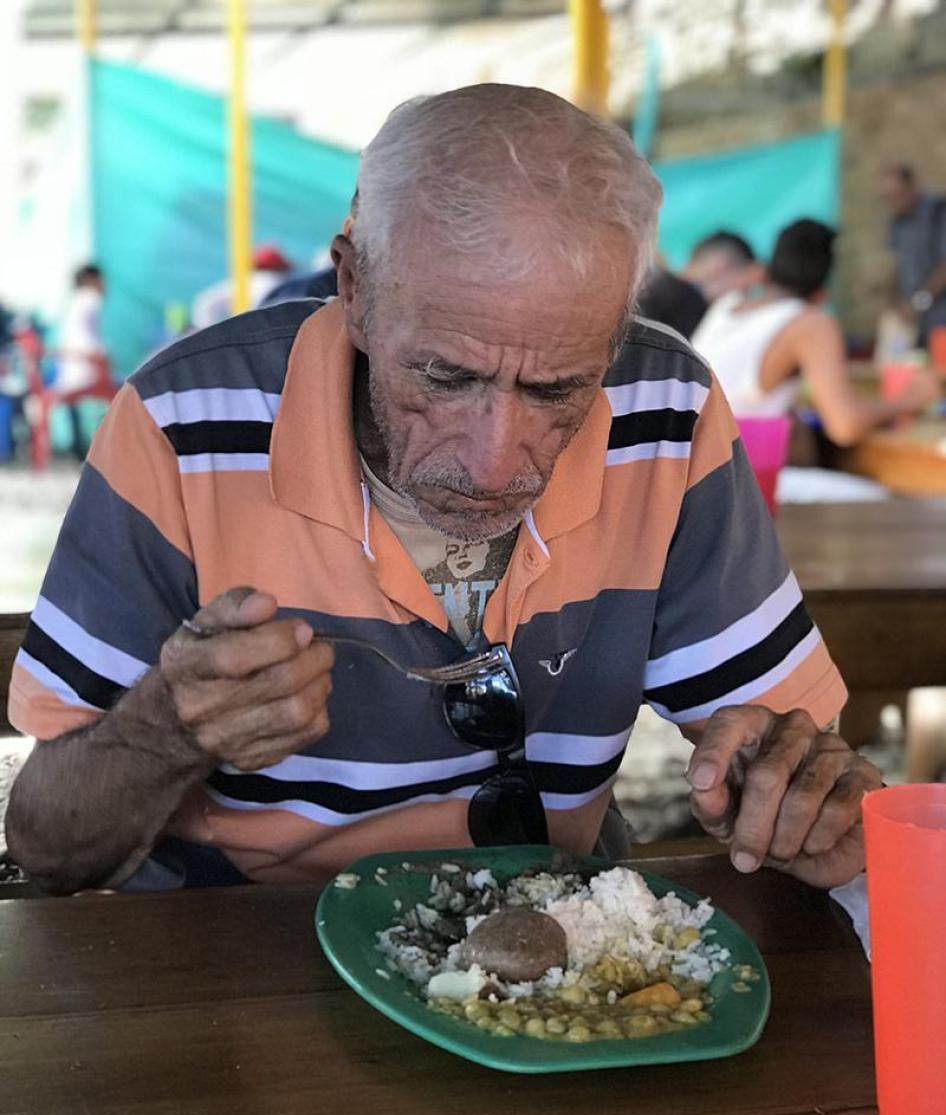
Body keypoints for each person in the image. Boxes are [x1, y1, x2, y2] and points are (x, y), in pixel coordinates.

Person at [6, 86, 878, 896]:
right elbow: (46, 843)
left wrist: (802, 794)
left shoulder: (663, 405)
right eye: (443, 376)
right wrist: (168, 729)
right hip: (237, 953)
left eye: (556, 390)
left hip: (551, 949)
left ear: (615, 336)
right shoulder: (184, 422)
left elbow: (787, 750)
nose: (497, 466)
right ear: (354, 285)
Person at [693, 219, 938, 446]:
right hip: (736, 475)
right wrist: (911, 400)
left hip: (691, 469)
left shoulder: (727, 306)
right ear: (825, 289)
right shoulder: (810, 323)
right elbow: (845, 425)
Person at [638, 232, 757, 339]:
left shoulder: (646, 276)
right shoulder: (691, 312)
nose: (741, 299)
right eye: (745, 290)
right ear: (720, 265)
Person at [879, 163, 946, 349]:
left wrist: (919, 302)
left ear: (911, 187)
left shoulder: (938, 214)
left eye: (897, 195)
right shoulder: (897, 224)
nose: (893, 202)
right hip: (914, 324)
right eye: (887, 197)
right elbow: (897, 265)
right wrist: (896, 305)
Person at [55, 264, 110, 460]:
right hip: (88, 372)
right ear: (90, 280)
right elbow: (91, 341)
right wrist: (104, 354)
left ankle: (80, 448)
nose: (105, 284)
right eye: (102, 279)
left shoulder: (71, 301)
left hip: (68, 373)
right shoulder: (91, 299)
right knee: (123, 391)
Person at [191, 243, 295, 329]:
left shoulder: (249, 281)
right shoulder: (292, 281)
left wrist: (206, 333)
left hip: (251, 331)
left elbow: (206, 302)